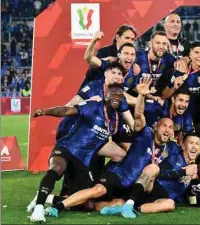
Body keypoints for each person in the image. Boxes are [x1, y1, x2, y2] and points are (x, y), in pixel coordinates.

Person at [43, 80, 167, 219]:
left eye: (170, 128)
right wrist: (141, 97)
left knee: (97, 204)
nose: (167, 130)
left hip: (130, 183)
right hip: (117, 174)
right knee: (97, 191)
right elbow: (138, 115)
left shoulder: (169, 147)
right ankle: (57, 206)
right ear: (156, 127)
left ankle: (55, 199)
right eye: (164, 126)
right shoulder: (145, 134)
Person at [29, 82, 131, 223]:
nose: (117, 98)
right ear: (105, 95)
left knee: (87, 204)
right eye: (113, 94)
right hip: (67, 147)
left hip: (83, 161)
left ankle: (45, 197)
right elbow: (66, 111)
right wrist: (45, 111)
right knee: (56, 169)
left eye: (120, 96)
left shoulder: (116, 120)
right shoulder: (93, 106)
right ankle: (38, 208)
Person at [156, 42, 200, 135]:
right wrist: (174, 87)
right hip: (181, 111)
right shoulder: (179, 69)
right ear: (190, 55)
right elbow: (164, 96)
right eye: (196, 52)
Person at [151, 133, 200, 209]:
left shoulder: (192, 166)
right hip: (153, 194)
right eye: (191, 143)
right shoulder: (174, 158)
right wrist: (183, 172)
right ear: (184, 146)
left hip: (166, 200)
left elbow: (179, 188)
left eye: (197, 144)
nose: (194, 147)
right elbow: (159, 174)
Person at [81, 24, 138, 89]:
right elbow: (91, 64)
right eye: (127, 38)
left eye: (132, 39)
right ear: (117, 38)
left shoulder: (132, 54)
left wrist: (134, 64)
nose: (130, 41)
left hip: (112, 93)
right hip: (92, 89)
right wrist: (94, 41)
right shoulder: (104, 52)